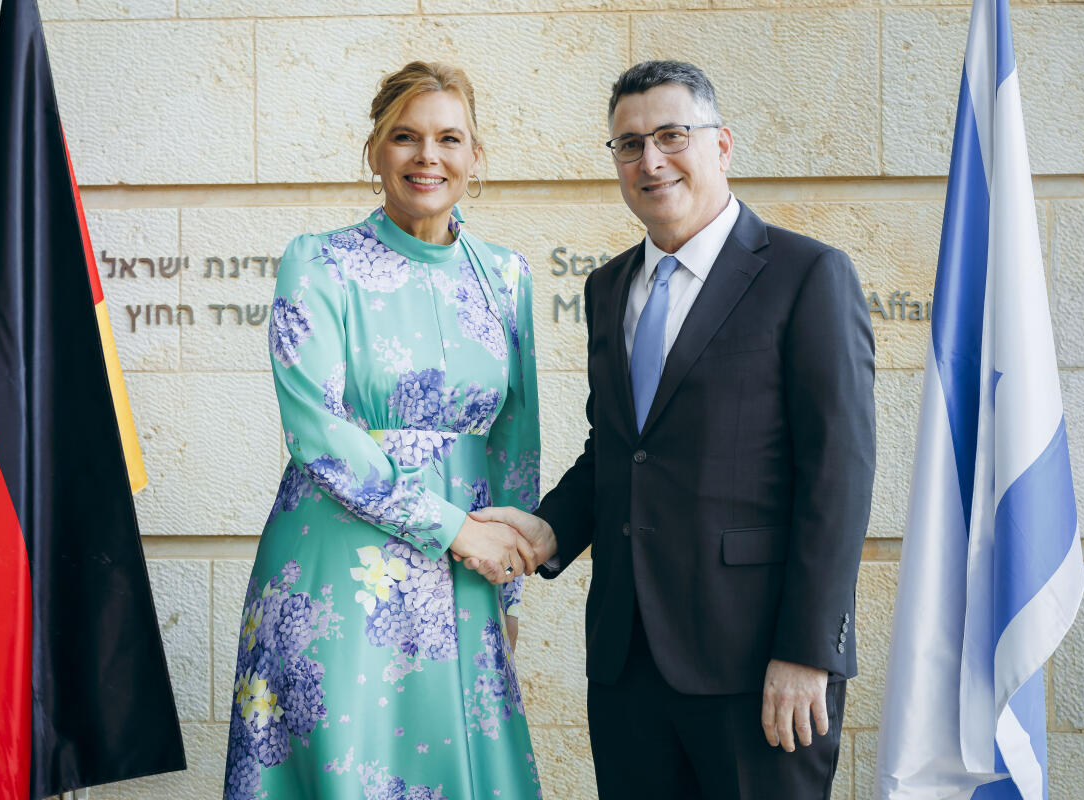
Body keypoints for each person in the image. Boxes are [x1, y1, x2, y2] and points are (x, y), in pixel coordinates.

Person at [474, 60, 876, 798]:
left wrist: (806, 652)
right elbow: (620, 451)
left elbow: (839, 475)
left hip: (759, 664)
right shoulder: (608, 288)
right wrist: (548, 531)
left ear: (721, 145)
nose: (651, 160)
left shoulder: (807, 275)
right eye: (629, 144)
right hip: (628, 665)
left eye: (670, 135)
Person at [223, 61, 543, 800]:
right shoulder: (318, 264)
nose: (427, 156)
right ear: (375, 152)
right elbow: (318, 435)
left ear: (474, 155)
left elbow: (515, 444)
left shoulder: (507, 277)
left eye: (448, 138)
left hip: (469, 580)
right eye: (405, 137)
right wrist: (458, 531)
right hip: (337, 578)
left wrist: (508, 587)